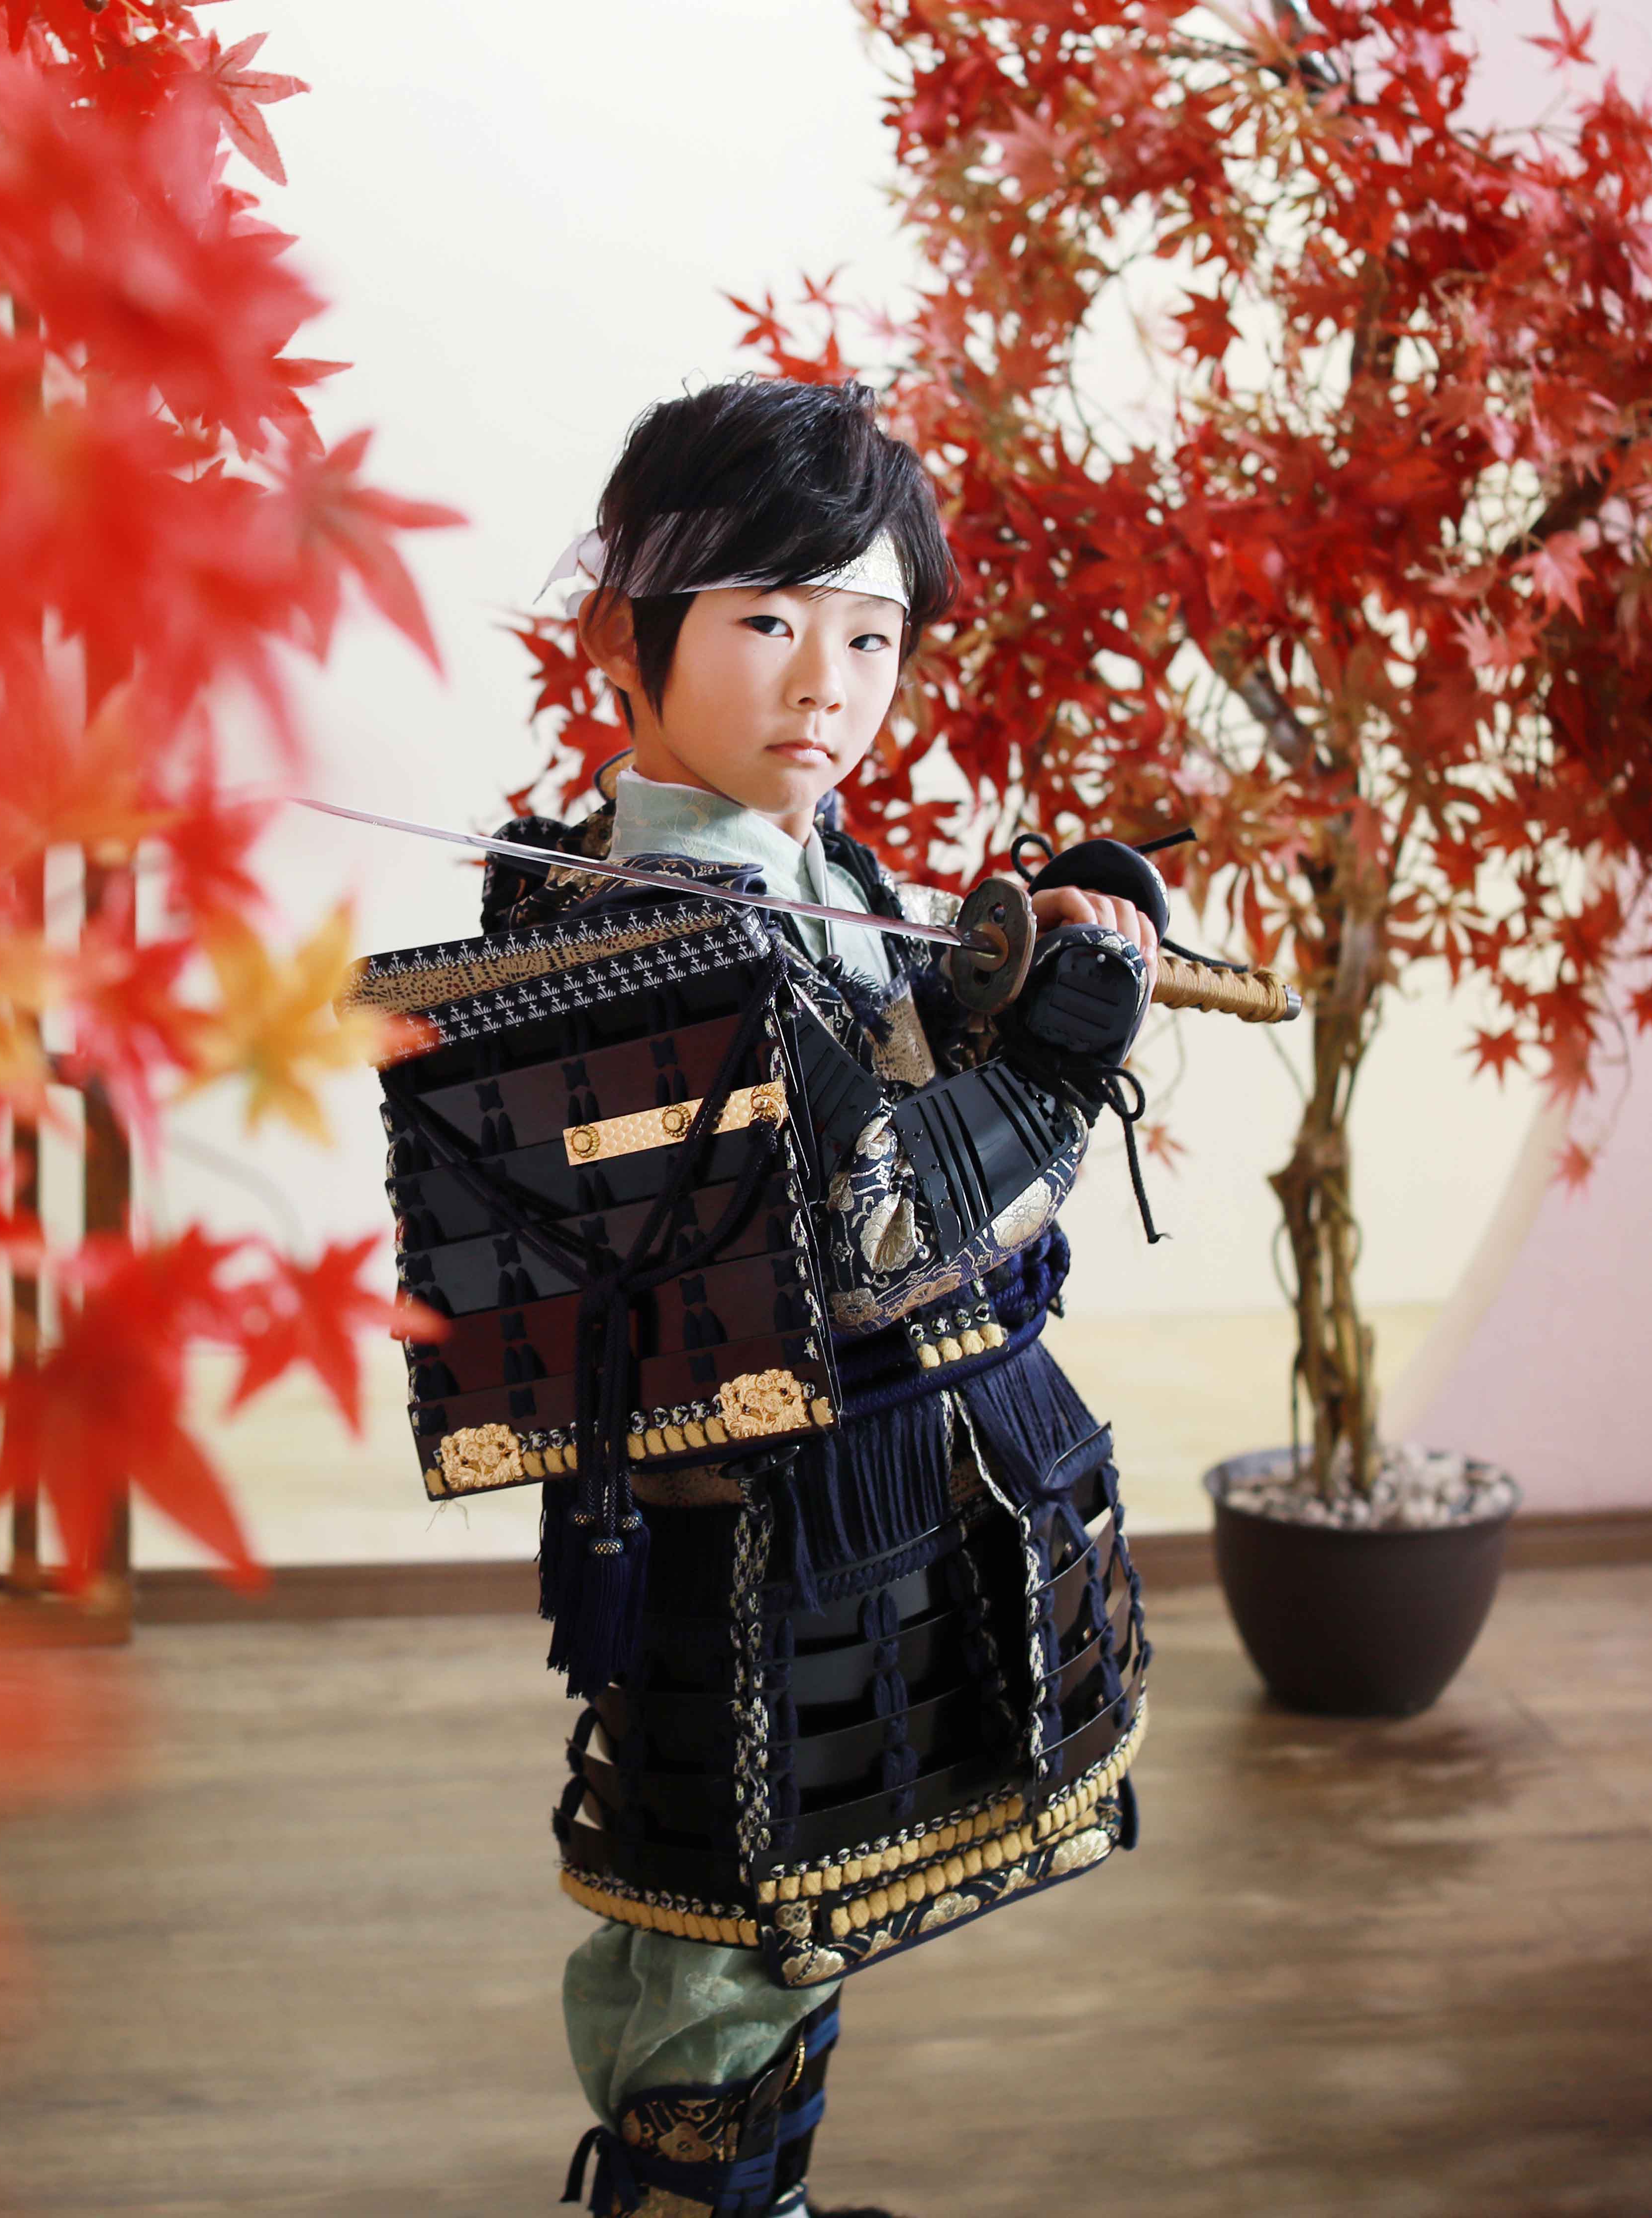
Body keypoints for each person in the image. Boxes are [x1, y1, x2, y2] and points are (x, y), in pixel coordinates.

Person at [447, 378, 1161, 2217]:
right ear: (627, 631)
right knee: (730, 1937)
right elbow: (863, 1238)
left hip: (858, 1504)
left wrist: (1036, 949)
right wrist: (1057, 1073)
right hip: (755, 1528)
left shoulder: (817, 867)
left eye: (870, 635)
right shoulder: (645, 921)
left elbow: (904, 1041)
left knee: (780, 1927)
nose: (827, 686)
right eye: (769, 622)